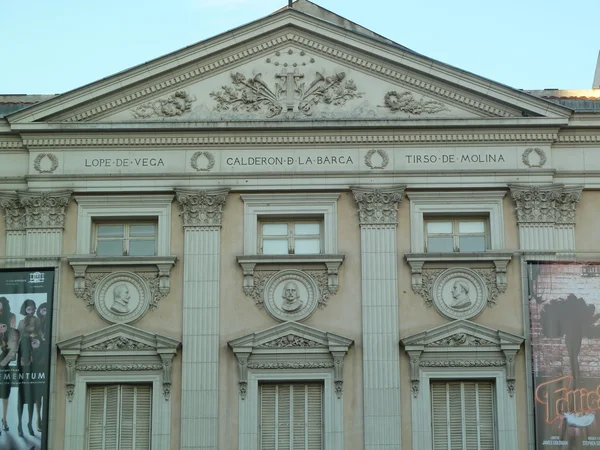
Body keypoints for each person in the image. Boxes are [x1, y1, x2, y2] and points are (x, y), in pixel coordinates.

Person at [17, 299, 42, 438]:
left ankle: (30, 423)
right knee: (21, 396)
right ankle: (20, 424)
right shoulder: (21, 322)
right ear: (25, 308)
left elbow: (39, 334)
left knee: (32, 396)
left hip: (33, 349)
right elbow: (19, 337)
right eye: (28, 307)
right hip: (22, 350)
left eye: (32, 307)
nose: (30, 309)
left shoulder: (36, 320)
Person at [0, 299, 19, 435]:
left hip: (4, 366)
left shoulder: (13, 331)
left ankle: (5, 420)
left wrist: (2, 363)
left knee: (5, 395)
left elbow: (13, 350)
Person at [34, 303, 50, 433]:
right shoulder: (37, 324)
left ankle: (44, 419)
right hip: (37, 363)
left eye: (46, 309)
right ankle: (38, 418)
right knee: (38, 395)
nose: (44, 311)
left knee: (46, 395)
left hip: (48, 363)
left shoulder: (51, 322)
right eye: (42, 309)